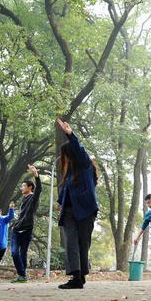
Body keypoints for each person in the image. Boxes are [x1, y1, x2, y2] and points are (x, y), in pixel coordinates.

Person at [56, 118, 99, 289]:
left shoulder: (84, 164)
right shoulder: (70, 173)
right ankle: (75, 276)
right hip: (69, 212)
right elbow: (67, 189)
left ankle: (80, 277)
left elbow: (80, 151)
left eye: (65, 156)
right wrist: (60, 202)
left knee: (83, 243)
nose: (63, 160)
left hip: (86, 211)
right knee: (72, 242)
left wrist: (70, 135)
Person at [10, 164, 43, 283]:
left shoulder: (33, 198)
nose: (21, 188)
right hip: (16, 230)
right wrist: (14, 223)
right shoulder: (23, 199)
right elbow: (20, 215)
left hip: (27, 229)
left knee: (23, 253)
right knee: (14, 253)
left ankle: (22, 277)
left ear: (30, 187)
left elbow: (39, 189)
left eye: (23, 186)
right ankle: (22, 274)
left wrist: (36, 176)